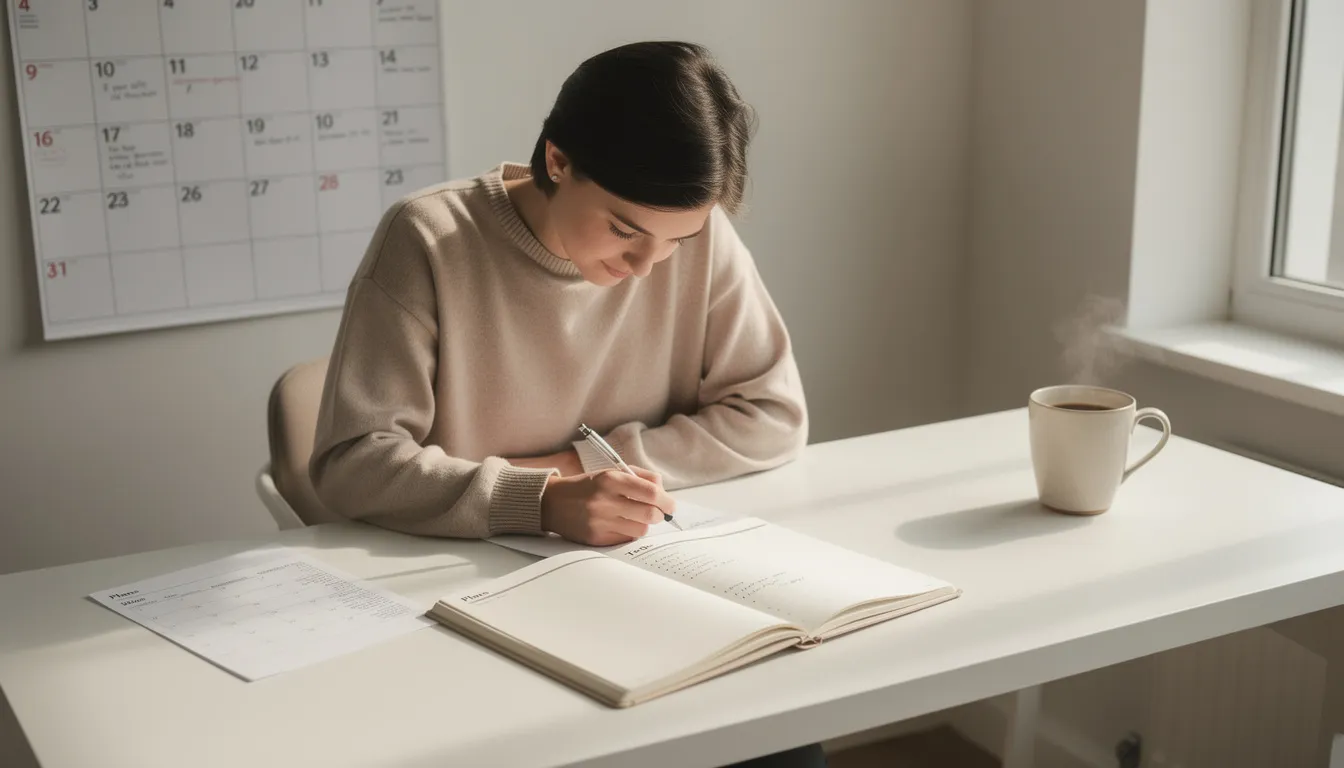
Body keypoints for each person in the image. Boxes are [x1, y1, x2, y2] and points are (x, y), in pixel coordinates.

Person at [309, 41, 820, 767]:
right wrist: (541, 500)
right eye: (623, 229)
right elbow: (351, 463)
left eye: (678, 240)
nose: (649, 266)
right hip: (469, 599)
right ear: (558, 161)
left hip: (645, 584)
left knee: (777, 731)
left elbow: (773, 414)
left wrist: (571, 468)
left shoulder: (693, 235)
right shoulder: (428, 239)